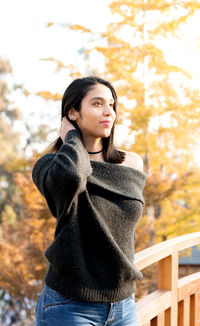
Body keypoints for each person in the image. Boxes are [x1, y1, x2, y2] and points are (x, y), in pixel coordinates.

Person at [32, 76, 146, 326]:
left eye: (112, 105)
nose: (109, 112)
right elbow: (72, 177)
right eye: (97, 104)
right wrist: (71, 139)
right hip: (69, 307)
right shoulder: (50, 166)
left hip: (124, 306)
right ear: (73, 113)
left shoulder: (132, 163)